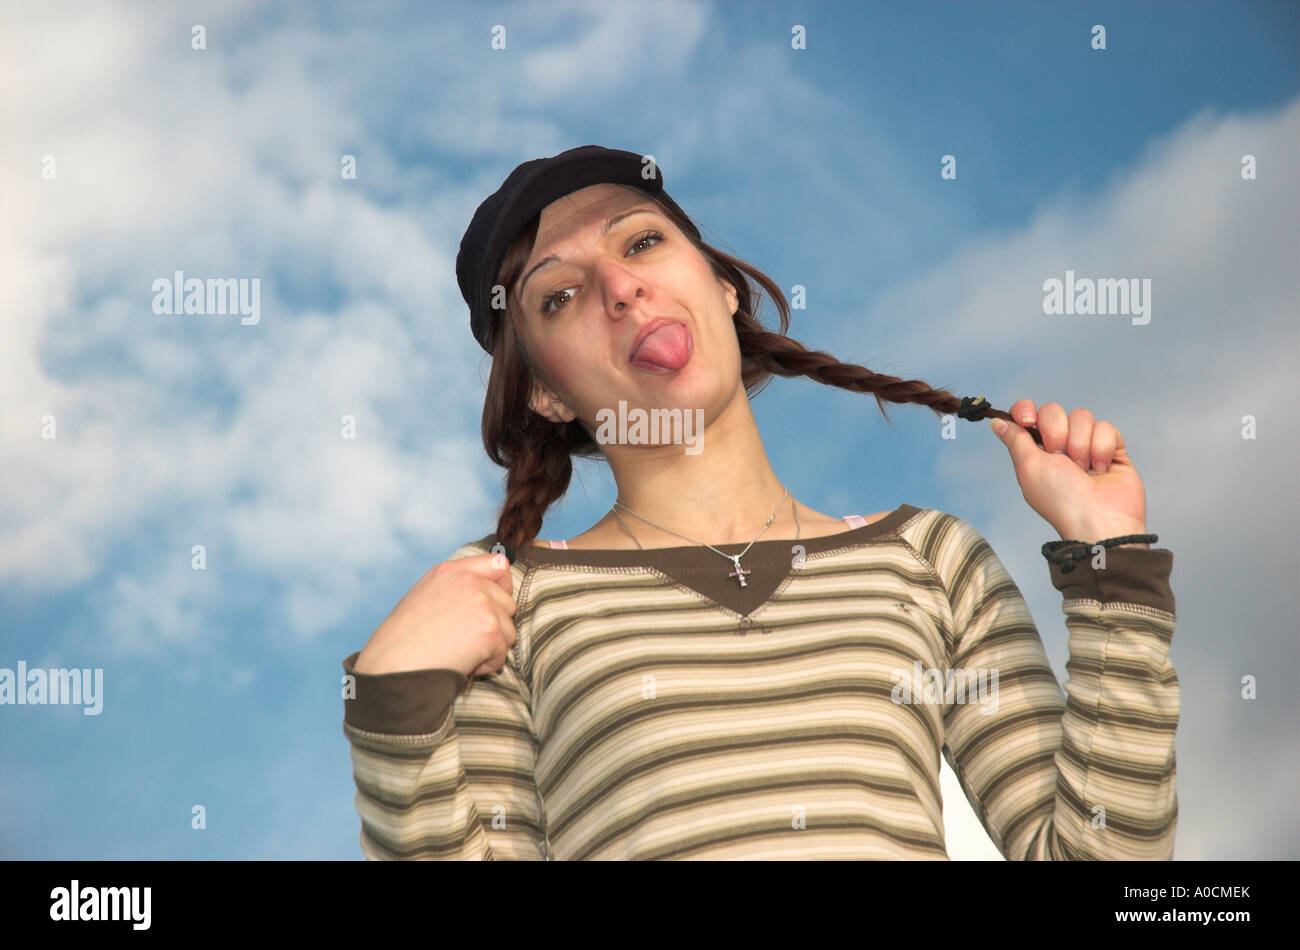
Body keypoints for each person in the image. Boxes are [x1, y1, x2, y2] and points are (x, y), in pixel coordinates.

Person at [340, 145, 1177, 860]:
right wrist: (393, 710)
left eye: (642, 242)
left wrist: (1112, 560)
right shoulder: (503, 604)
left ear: (723, 288)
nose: (620, 287)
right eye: (558, 295)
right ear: (545, 393)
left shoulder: (933, 560)